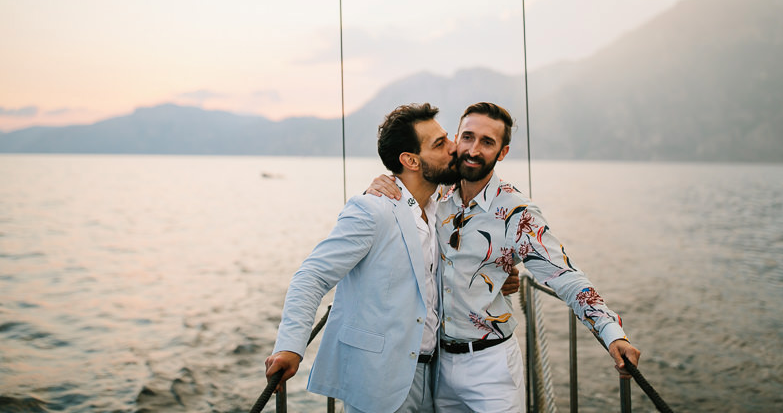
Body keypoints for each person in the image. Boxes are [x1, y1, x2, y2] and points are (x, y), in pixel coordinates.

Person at [368, 102, 641, 413]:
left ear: (502, 152)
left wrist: (612, 334)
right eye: (467, 137)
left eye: (487, 142)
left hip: (491, 368)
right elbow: (407, 183)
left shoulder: (517, 213)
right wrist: (381, 183)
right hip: (439, 368)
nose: (472, 150)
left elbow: (565, 275)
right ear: (456, 138)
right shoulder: (439, 194)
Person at [264, 103, 518, 413]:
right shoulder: (372, 210)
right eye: (440, 144)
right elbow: (311, 276)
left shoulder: (442, 209)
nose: (455, 148)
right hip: (379, 380)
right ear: (410, 160)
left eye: (447, 137)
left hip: (435, 378)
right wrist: (291, 346)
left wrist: (497, 275)